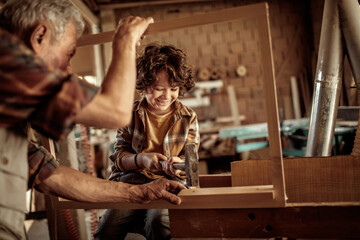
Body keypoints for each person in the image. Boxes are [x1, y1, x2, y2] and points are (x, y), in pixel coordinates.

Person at [0, 1, 185, 239]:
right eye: (69, 54)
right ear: (40, 36)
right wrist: (125, 42)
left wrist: (138, 193)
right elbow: (115, 113)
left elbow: (48, 175)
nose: (68, 69)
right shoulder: (10, 66)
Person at [95, 43, 200, 240]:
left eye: (174, 89)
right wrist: (141, 160)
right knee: (107, 229)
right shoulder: (128, 113)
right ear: (144, 86)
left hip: (171, 182)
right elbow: (119, 158)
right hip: (133, 181)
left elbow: (190, 161)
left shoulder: (188, 117)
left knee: (158, 222)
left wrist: (177, 166)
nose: (167, 96)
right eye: (159, 88)